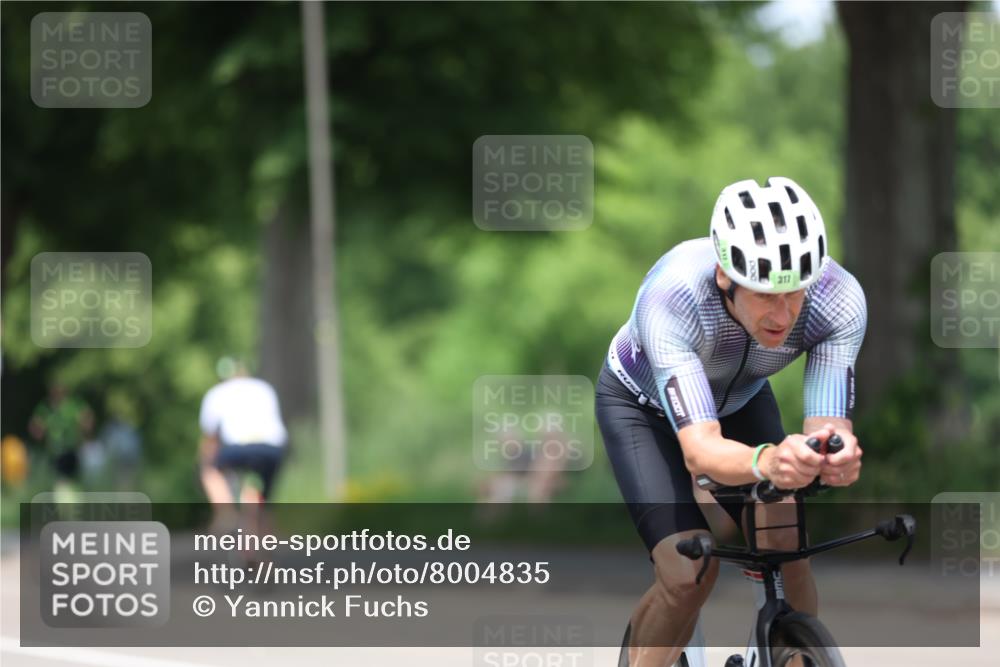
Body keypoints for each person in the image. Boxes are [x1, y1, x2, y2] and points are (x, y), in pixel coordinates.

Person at [595, 177, 866, 667]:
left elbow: (828, 425)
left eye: (795, 292)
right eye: (765, 295)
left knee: (786, 541)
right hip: (641, 409)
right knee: (686, 573)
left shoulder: (838, 299)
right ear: (726, 275)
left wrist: (835, 451)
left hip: (740, 400)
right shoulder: (672, 295)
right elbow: (701, 451)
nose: (783, 314)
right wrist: (769, 460)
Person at [198, 357, 288, 524]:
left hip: (239, 449)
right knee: (263, 499)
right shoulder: (264, 388)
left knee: (209, 471)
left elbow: (211, 439)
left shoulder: (217, 392)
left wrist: (205, 459)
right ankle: (260, 530)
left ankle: (227, 513)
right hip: (273, 449)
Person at [28, 382, 94, 494]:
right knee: (61, 481)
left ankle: (71, 502)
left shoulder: (73, 405)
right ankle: (65, 505)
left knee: (72, 480)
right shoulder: (46, 407)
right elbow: (35, 424)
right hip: (55, 451)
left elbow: (87, 417)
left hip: (71, 448)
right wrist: (38, 431)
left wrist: (85, 430)